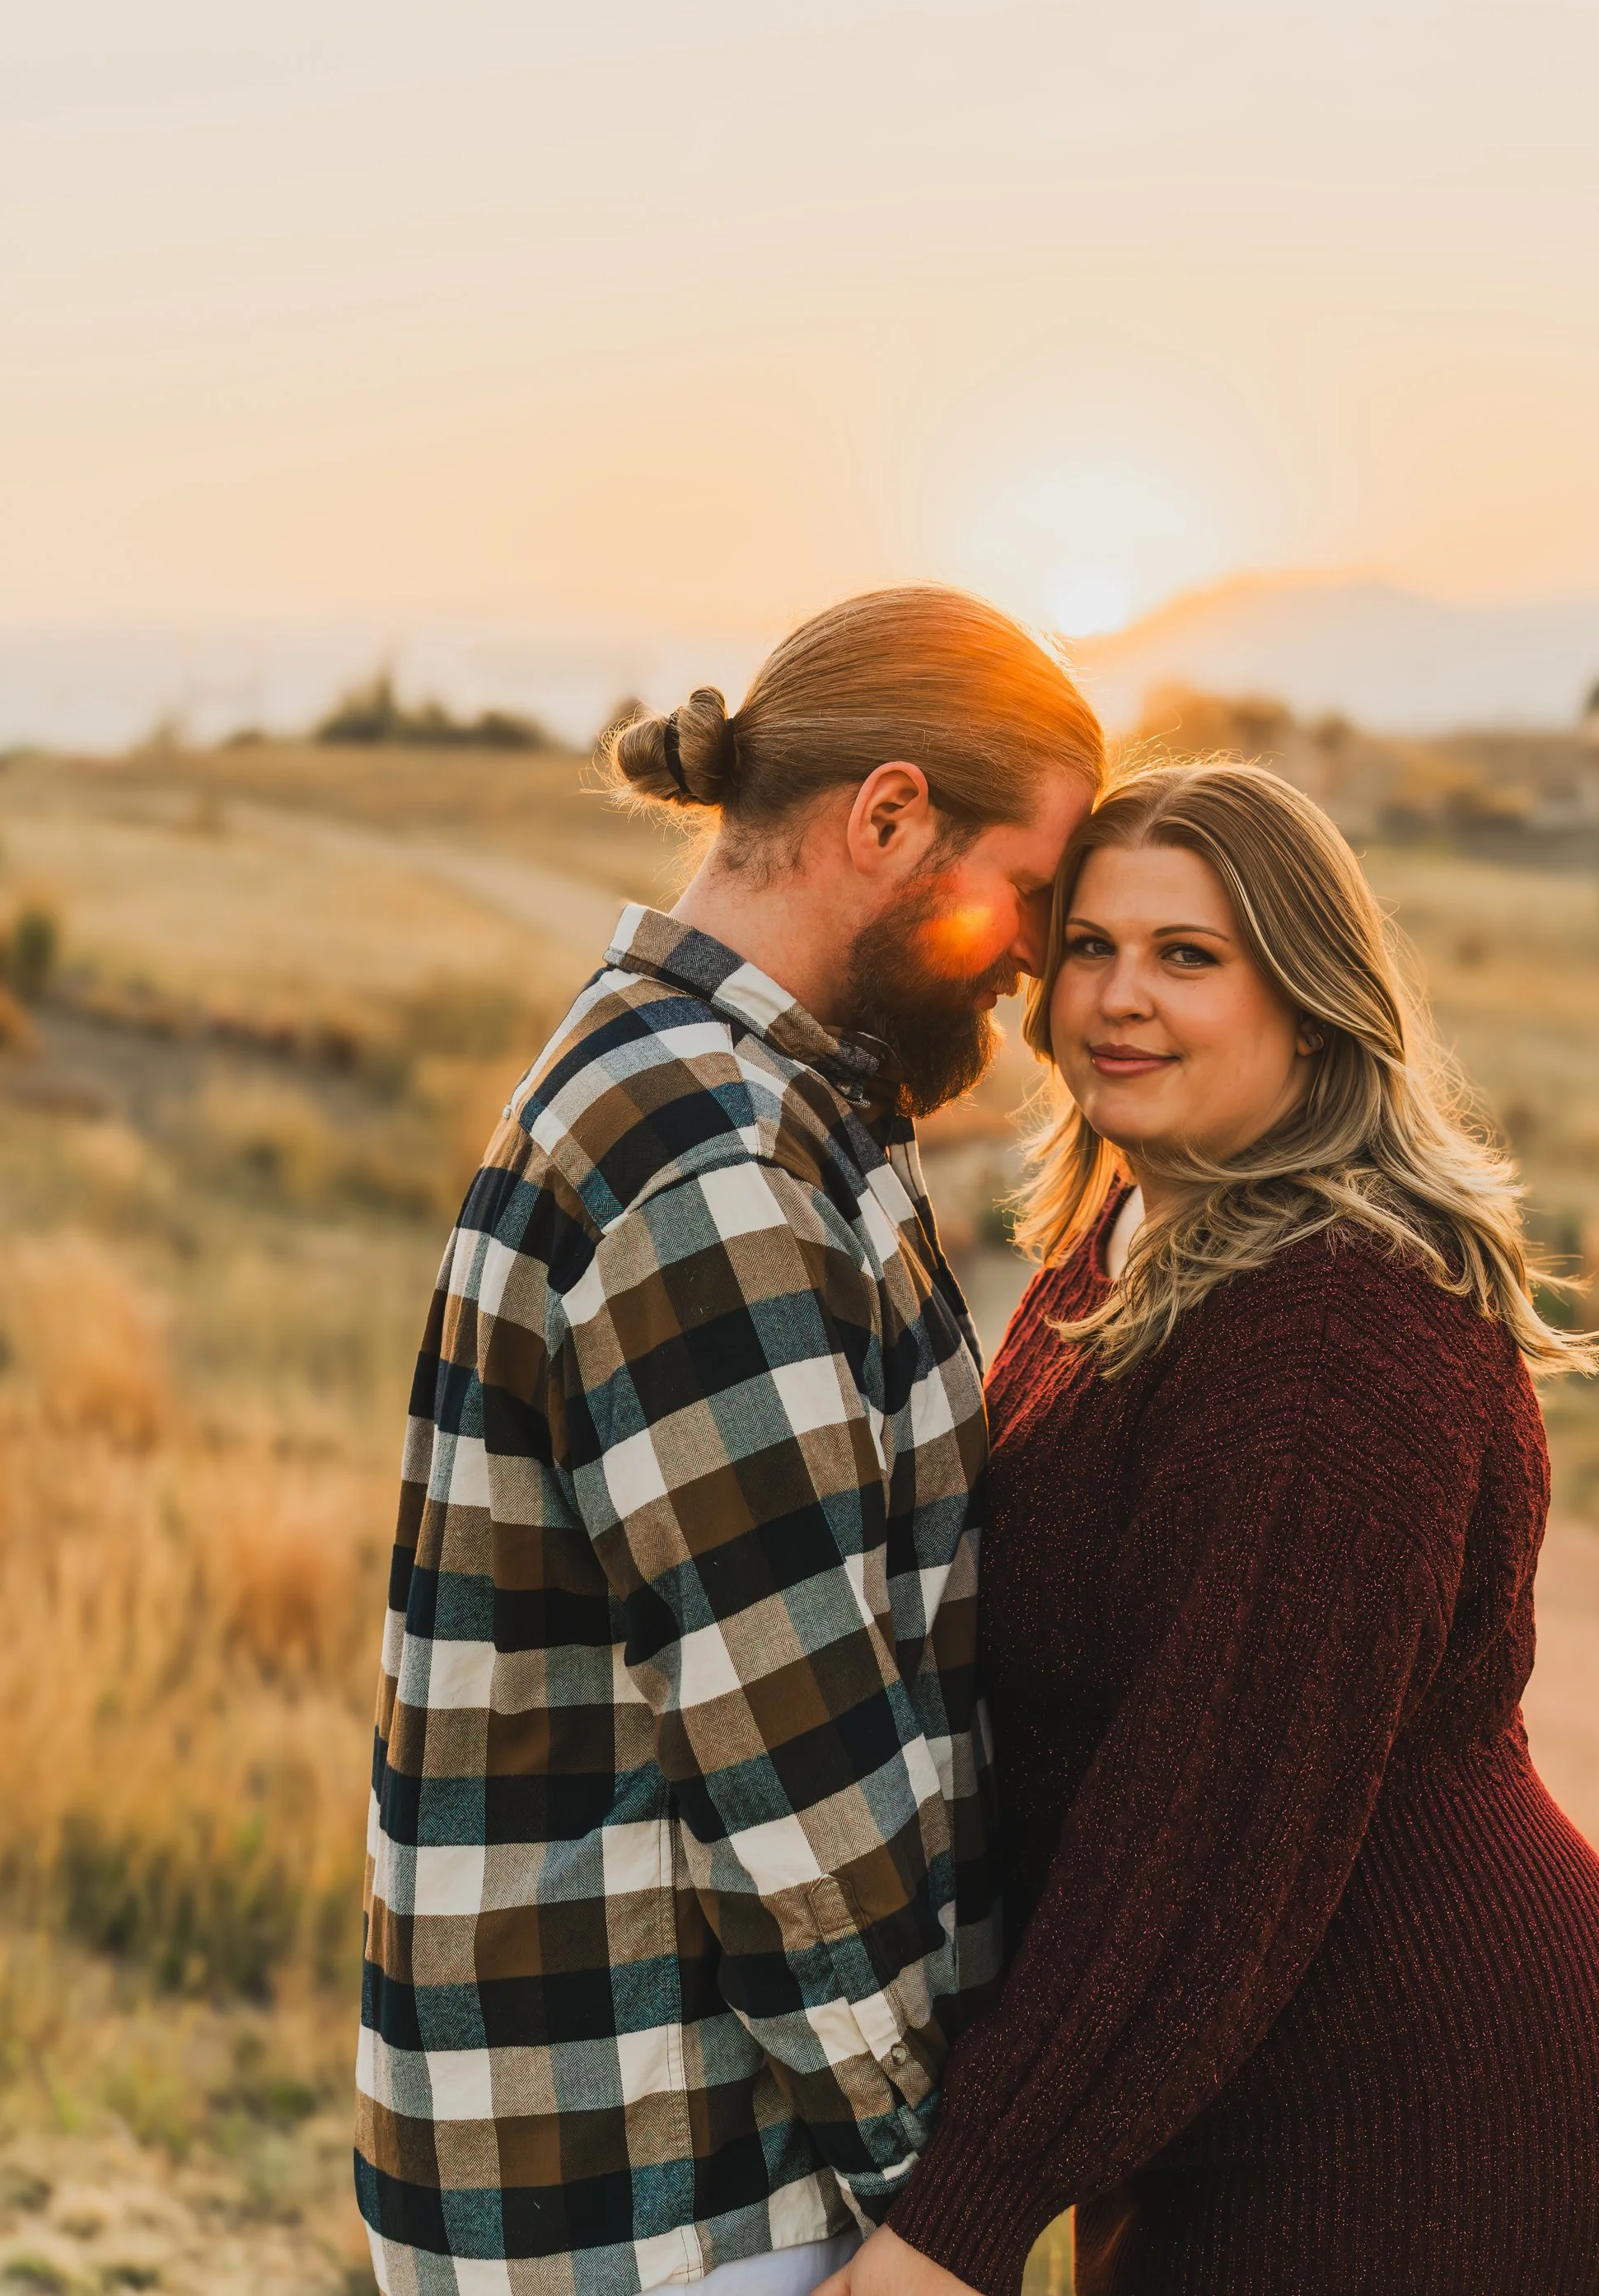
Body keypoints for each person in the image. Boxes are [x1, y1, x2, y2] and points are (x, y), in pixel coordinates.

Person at [834, 761, 1599, 2296]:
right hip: (1226, 2070)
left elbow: (1212, 1813)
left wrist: (959, 2220)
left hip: (1419, 2107)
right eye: (1089, 943)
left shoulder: (1336, 1329)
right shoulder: (1136, 1230)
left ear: (1309, 996)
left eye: (1188, 955)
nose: (1118, 997)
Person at [354, 587, 1104, 2296]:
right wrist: (936, 2217)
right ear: (890, 816)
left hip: (663, 2177)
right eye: (1034, 889)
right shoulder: (714, 1158)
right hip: (684, 2202)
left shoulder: (734, 1094)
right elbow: (795, 1772)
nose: (1040, 953)